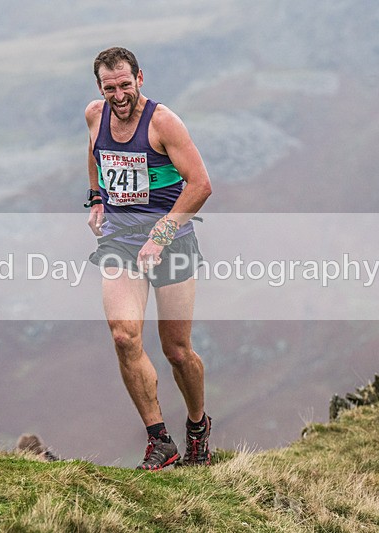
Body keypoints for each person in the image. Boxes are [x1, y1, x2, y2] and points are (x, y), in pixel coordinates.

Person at [84, 47, 213, 470]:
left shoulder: (163, 122)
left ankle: (197, 427)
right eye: (110, 88)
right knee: (124, 336)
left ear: (140, 78)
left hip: (171, 241)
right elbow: (94, 153)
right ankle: (160, 440)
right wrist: (96, 197)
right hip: (120, 242)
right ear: (99, 88)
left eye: (126, 84)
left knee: (177, 350)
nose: (119, 95)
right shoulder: (95, 115)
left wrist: (162, 234)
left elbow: (200, 185)